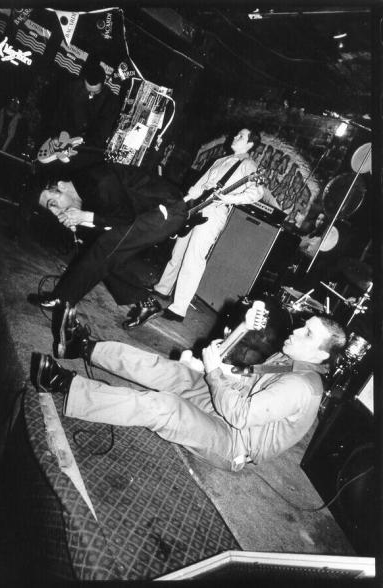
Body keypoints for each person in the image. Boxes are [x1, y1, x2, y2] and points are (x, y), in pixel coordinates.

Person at [30, 308, 347, 470]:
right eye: (304, 325)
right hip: (228, 407)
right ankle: (82, 347)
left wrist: (213, 372)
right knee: (171, 372)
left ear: (321, 355)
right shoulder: (292, 361)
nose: (296, 330)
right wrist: (227, 349)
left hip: (233, 442)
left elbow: (240, 414)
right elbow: (245, 375)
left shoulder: (300, 387)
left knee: (165, 408)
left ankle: (63, 385)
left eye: (307, 334)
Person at [27, 160, 187, 355]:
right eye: (50, 210)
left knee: (105, 247)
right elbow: (109, 218)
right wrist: (81, 222)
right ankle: (145, 302)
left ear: (61, 186)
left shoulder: (97, 179)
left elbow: (124, 217)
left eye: (53, 204)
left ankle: (62, 299)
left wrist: (84, 217)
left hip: (168, 209)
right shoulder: (84, 188)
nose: (56, 212)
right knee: (105, 250)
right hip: (149, 211)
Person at [124, 128, 265, 328]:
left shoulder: (249, 165)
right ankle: (163, 288)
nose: (235, 137)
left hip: (214, 211)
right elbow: (200, 185)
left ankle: (178, 309)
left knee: (194, 258)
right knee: (178, 251)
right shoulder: (221, 160)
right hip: (196, 207)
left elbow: (257, 193)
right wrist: (183, 203)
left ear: (250, 144)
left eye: (241, 136)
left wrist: (229, 198)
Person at [49, 61, 122, 151]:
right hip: (62, 140)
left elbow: (101, 134)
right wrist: (54, 135)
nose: (91, 94)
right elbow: (59, 114)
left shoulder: (110, 102)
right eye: (88, 90)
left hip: (84, 148)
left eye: (96, 92)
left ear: (103, 85)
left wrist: (81, 143)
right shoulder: (73, 88)